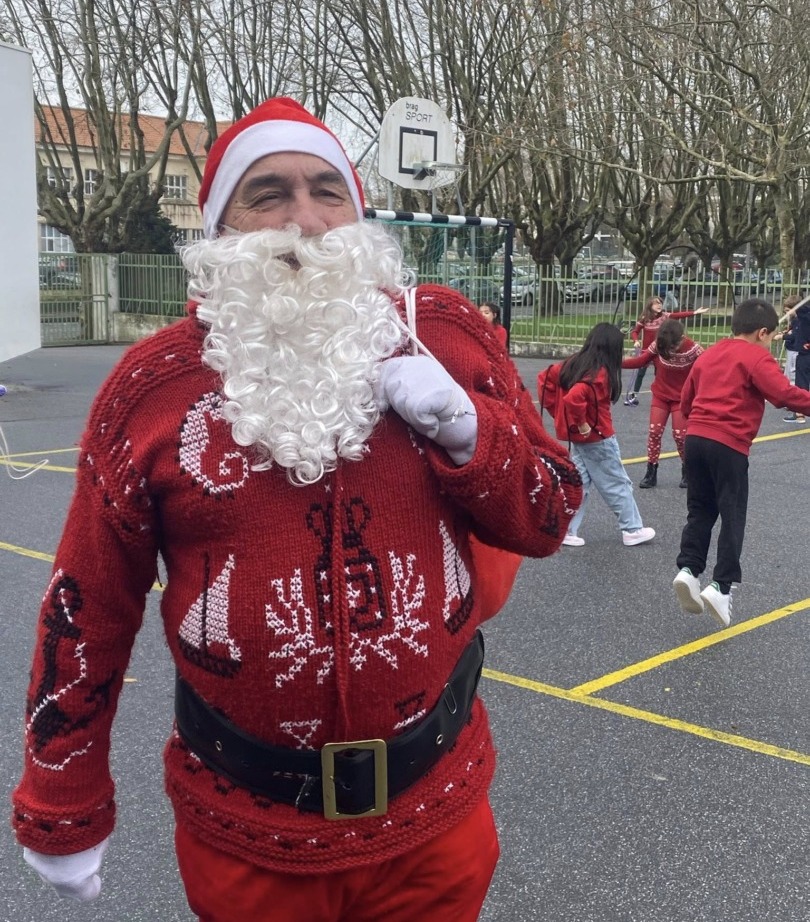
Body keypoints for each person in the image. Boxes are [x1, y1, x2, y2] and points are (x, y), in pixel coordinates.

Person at [12, 97, 583, 922]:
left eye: (326, 190)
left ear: (359, 212)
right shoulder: (151, 390)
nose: (305, 220)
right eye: (268, 193)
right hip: (246, 837)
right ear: (220, 227)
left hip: (437, 819)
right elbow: (89, 600)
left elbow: (552, 512)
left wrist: (470, 431)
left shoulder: (446, 337)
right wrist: (61, 797)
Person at [673, 298, 810, 628]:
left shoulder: (710, 354)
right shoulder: (757, 357)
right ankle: (721, 586)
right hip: (729, 443)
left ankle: (689, 569)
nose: (771, 343)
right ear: (762, 332)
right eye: (771, 337)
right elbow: (784, 395)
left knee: (700, 510)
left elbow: (686, 401)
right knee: (732, 514)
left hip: (695, 438)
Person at [537, 322, 655, 548]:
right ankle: (632, 529)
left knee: (579, 483)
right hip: (598, 437)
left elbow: (545, 378)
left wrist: (559, 414)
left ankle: (567, 530)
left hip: (579, 437)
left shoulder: (574, 362)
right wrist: (581, 423)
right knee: (616, 482)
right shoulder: (600, 372)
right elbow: (574, 398)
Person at [621, 319, 704, 489]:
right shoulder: (659, 345)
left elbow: (708, 368)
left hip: (681, 398)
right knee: (654, 432)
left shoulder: (693, 349)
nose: (671, 350)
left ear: (682, 338)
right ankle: (651, 471)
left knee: (680, 436)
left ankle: (687, 470)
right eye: (668, 347)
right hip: (661, 395)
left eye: (674, 346)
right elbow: (640, 361)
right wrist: (615, 362)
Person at [624, 295, 709, 405]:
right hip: (647, 351)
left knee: (659, 372)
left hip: (659, 351)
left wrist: (694, 312)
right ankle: (634, 395)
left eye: (660, 303)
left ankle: (660, 395)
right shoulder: (644, 318)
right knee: (640, 373)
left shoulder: (664, 316)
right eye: (656, 303)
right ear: (650, 305)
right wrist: (636, 340)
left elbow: (678, 315)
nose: (659, 305)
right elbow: (635, 331)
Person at [777, 293, 808, 422]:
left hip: (803, 354)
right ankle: (798, 409)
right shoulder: (799, 320)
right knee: (800, 382)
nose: (787, 313)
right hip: (802, 353)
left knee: (800, 384)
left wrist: (783, 336)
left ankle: (800, 413)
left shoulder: (804, 319)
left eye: (789, 310)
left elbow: (796, 335)